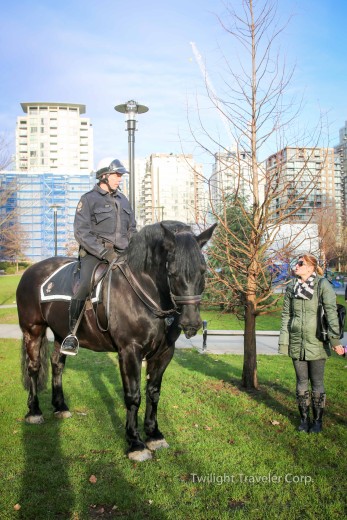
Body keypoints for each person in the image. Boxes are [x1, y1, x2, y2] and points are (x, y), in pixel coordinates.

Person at [60, 157, 137, 356]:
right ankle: (71, 334)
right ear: (104, 176)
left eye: (120, 175)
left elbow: (132, 229)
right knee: (84, 285)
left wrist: (134, 248)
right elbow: (81, 232)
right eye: (116, 175)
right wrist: (104, 252)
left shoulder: (124, 200)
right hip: (95, 254)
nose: (120, 178)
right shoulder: (88, 199)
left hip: (122, 254)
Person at [279, 254, 343, 434]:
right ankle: (304, 419)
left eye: (301, 263)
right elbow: (286, 316)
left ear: (311, 267)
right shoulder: (291, 287)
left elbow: (331, 313)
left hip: (317, 342)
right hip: (297, 342)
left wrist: (335, 341)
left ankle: (317, 421)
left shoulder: (322, 285)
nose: (296, 266)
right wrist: (284, 342)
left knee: (317, 383)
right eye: (296, 263)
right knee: (301, 382)